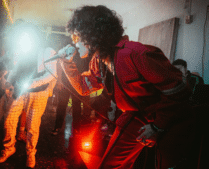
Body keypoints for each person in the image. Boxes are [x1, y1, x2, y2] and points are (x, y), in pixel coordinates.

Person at [59, 5, 197, 169]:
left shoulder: (135, 54)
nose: (75, 43)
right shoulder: (99, 62)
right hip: (137, 116)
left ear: (92, 35)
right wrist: (67, 63)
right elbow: (84, 87)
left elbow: (179, 89)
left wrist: (157, 126)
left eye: (77, 37)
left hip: (170, 118)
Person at [0, 20, 58, 168]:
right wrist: (8, 82)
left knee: (32, 127)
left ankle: (31, 154)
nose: (24, 37)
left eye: (27, 34)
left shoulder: (47, 51)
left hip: (38, 94)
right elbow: (15, 68)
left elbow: (52, 75)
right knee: (9, 120)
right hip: (19, 91)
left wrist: (30, 84)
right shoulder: (21, 48)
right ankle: (8, 148)